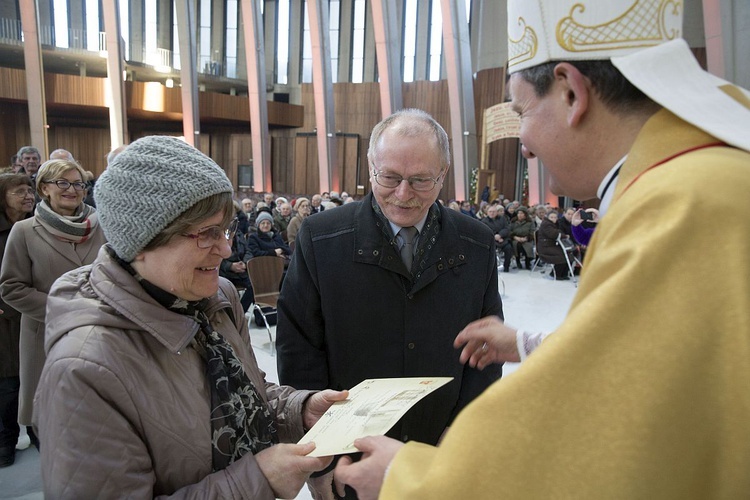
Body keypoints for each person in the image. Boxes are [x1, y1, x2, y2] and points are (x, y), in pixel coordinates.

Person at [331, 1, 750, 498]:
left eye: (522, 110)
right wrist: (527, 344)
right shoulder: (707, 179)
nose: (524, 144)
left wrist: (410, 476)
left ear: (571, 91)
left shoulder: (678, 206)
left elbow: (605, 443)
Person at [33, 135, 346, 497]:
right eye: (206, 234)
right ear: (142, 243)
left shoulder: (217, 298)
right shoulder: (84, 368)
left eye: (224, 229)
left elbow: (245, 393)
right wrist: (256, 481)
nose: (227, 248)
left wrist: (298, 410)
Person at [277, 108, 503, 498]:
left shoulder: (476, 243)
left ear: (443, 175)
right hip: (350, 455)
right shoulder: (321, 237)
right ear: (370, 169)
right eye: (390, 177)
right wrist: (320, 462)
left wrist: (462, 432)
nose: (403, 194)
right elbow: (300, 350)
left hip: (440, 448)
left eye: (420, 180)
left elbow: (487, 350)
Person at [0, 159, 106, 450]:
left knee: (99, 419)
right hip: (46, 336)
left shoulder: (101, 225)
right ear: (44, 188)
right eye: (62, 182)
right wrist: (64, 307)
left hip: (99, 332)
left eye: (77, 183)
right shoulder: (23, 231)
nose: (71, 189)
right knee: (53, 425)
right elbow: (11, 288)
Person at [0, 174, 35, 467]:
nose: (27, 195)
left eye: (29, 190)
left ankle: (38, 435)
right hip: (5, 321)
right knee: (9, 385)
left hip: (32, 313)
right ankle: (5, 443)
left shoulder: (35, 226)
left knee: (33, 378)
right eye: (18, 191)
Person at [535, 211, 570, 280]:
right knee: (562, 255)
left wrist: (562, 234)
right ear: (548, 217)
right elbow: (553, 234)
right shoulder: (546, 224)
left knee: (568, 253)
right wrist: (564, 236)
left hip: (550, 245)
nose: (553, 219)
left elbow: (558, 232)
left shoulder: (553, 224)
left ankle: (563, 273)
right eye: (551, 217)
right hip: (545, 247)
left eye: (555, 217)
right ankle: (555, 274)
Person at [481, 203, 512, 272]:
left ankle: (506, 266)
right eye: (490, 212)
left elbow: (507, 228)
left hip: (503, 239)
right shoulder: (484, 221)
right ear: (487, 212)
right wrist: (495, 236)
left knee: (508, 248)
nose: (492, 213)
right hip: (491, 241)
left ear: (497, 212)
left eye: (494, 212)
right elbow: (485, 231)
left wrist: (500, 235)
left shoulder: (502, 219)